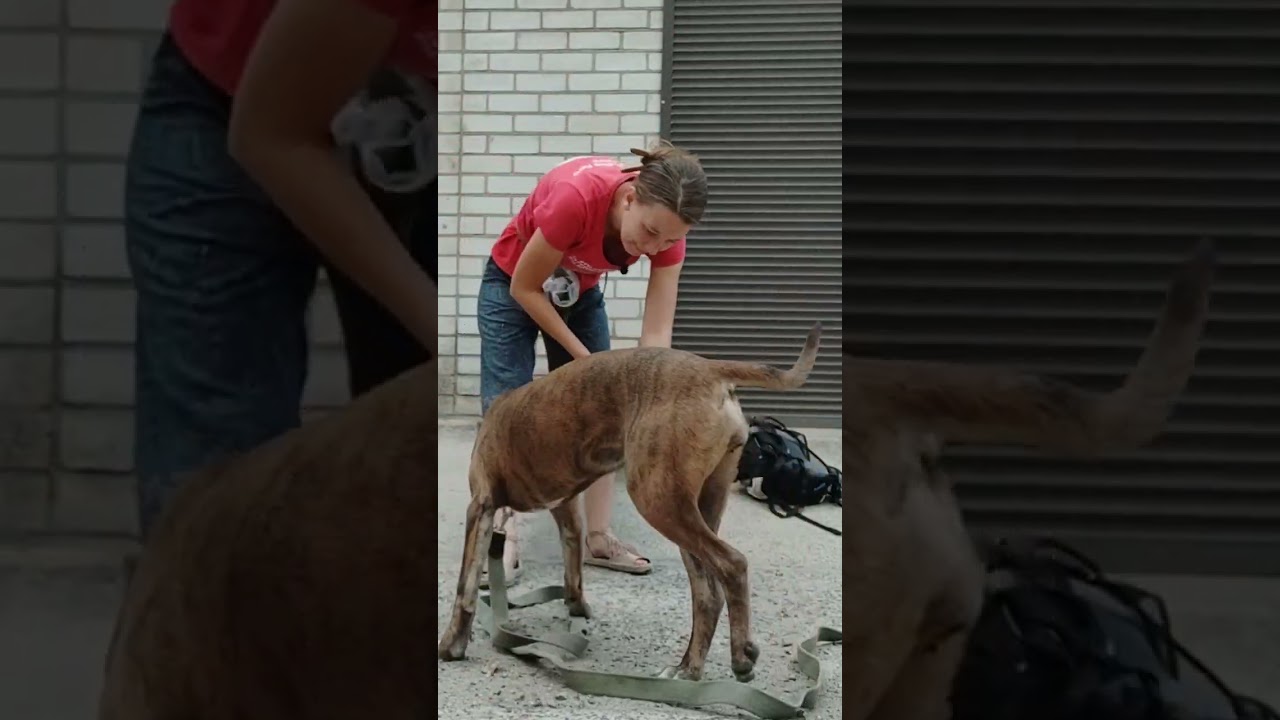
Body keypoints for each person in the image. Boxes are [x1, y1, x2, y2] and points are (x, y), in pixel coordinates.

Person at [126, 0, 437, 537]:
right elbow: (273, 135)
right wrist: (454, 334)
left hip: (427, 105)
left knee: (429, 467)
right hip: (230, 87)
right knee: (213, 495)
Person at [477, 144, 709, 585]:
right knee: (505, 408)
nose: (654, 247)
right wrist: (588, 365)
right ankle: (502, 535)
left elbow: (656, 337)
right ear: (628, 200)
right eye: (650, 232)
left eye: (670, 240)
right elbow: (525, 289)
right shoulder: (576, 197)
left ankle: (598, 537)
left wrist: (647, 401)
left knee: (605, 412)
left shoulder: (667, 231)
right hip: (511, 283)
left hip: (574, 291)